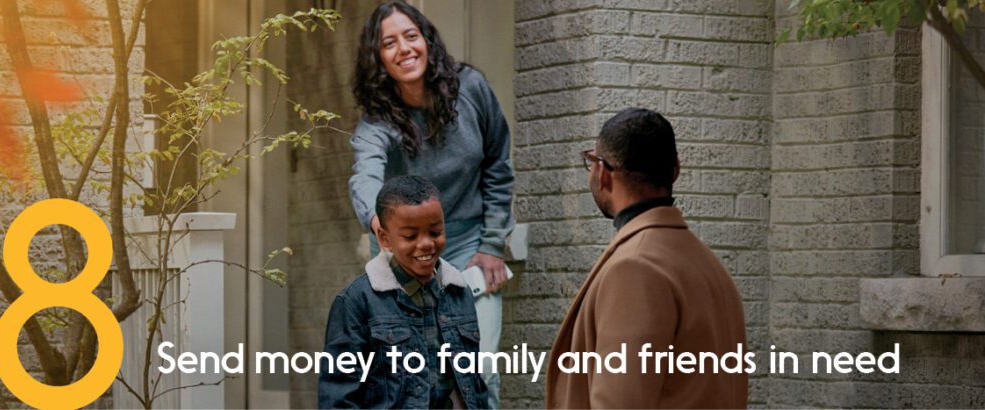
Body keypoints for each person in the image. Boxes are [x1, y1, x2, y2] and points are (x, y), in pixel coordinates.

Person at [348, 1, 513, 406]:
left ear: (426, 40)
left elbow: (498, 164)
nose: (403, 48)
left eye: (410, 36)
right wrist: (379, 225)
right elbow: (365, 174)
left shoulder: (470, 88)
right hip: (402, 251)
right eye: (389, 43)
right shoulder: (378, 119)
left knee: (480, 373)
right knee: (405, 376)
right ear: (379, 58)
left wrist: (492, 245)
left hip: (466, 245)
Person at [545, 108, 749, 408]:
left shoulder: (635, 268)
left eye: (591, 162)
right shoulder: (708, 264)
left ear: (602, 172)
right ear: (676, 170)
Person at [319, 175, 489, 408]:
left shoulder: (459, 293)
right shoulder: (356, 302)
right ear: (384, 238)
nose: (426, 244)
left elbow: (474, 386)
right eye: (410, 236)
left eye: (435, 232)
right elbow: (338, 397)